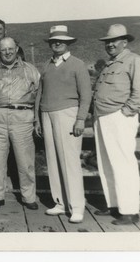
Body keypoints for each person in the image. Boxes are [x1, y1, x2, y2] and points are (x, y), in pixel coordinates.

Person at [34, 25, 92, 223]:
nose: (57, 43)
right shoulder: (47, 65)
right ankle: (60, 202)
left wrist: (81, 118)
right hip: (47, 114)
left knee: (70, 161)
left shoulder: (78, 64)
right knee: (53, 160)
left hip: (68, 114)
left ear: (68, 43)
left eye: (61, 40)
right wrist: (37, 118)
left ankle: (76, 206)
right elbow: (40, 94)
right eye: (53, 41)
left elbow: (86, 95)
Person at [93, 24, 140, 225]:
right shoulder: (110, 63)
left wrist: (126, 111)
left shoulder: (134, 60)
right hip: (102, 117)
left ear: (125, 42)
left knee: (123, 163)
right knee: (106, 163)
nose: (110, 45)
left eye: (114, 41)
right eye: (108, 42)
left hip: (119, 117)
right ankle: (114, 205)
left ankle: (130, 211)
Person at [0, 37, 39, 210]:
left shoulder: (30, 69)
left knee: (25, 160)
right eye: (3, 49)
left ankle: (29, 196)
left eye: (11, 49)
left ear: (17, 49)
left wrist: (36, 117)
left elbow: (39, 94)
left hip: (22, 117)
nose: (7, 52)